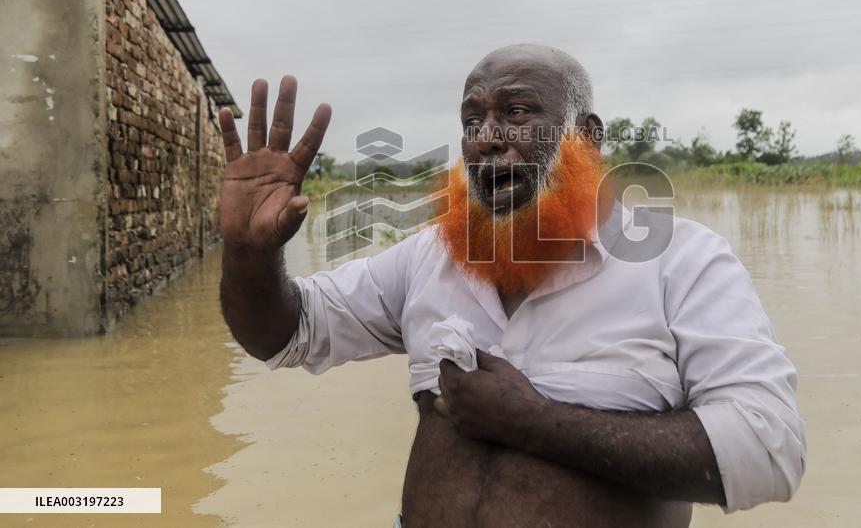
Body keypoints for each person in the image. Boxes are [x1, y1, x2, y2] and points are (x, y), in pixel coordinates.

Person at [217, 44, 806, 527]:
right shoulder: (430, 256)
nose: (486, 137)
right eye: (472, 121)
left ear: (588, 136)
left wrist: (535, 422)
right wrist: (248, 252)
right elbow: (287, 335)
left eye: (518, 113)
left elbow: (768, 449)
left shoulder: (682, 260)